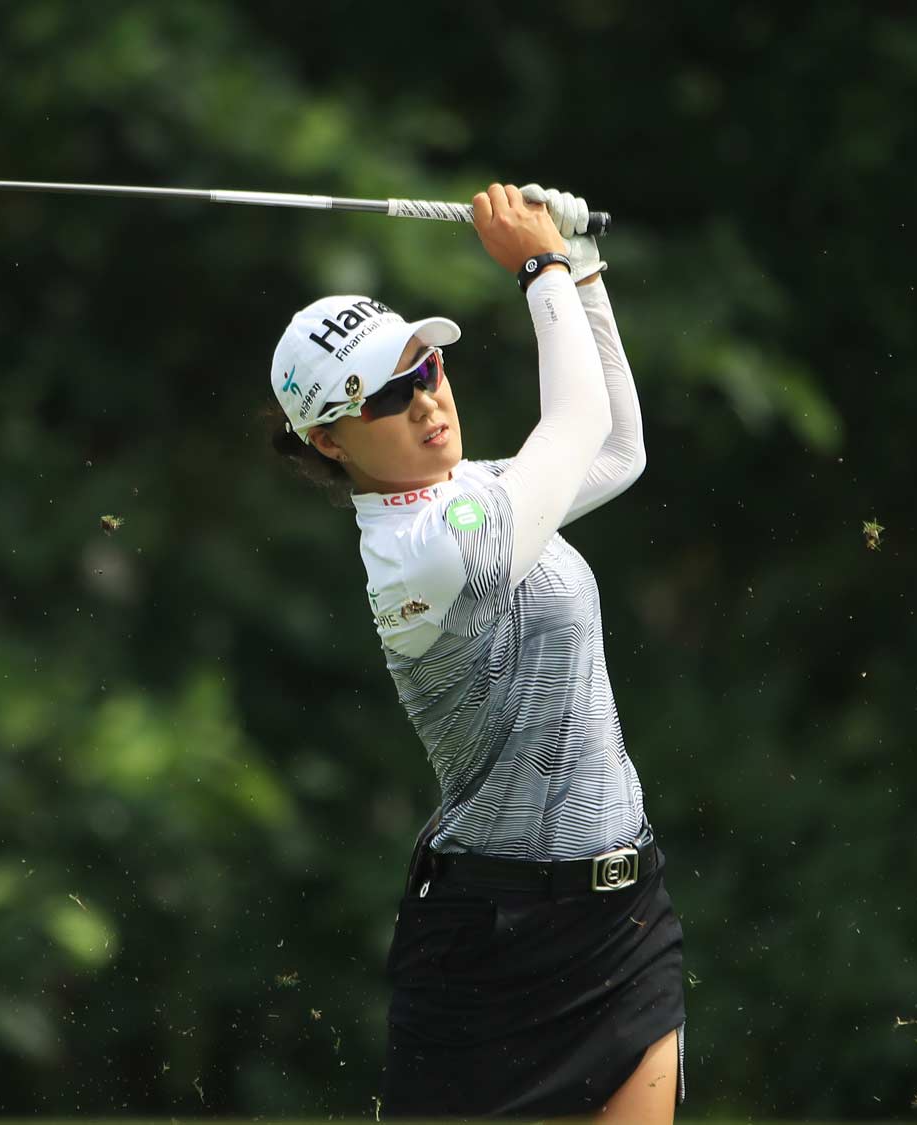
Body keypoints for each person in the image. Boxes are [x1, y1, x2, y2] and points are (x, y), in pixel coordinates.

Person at [267, 183, 684, 1120]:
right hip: (491, 945)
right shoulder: (432, 545)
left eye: (427, 369)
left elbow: (615, 448)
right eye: (389, 395)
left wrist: (581, 267)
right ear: (330, 440)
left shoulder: (479, 490)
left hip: (623, 912)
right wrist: (540, 270)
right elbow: (572, 429)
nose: (428, 401)